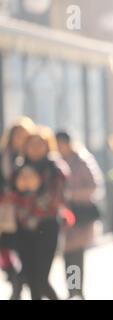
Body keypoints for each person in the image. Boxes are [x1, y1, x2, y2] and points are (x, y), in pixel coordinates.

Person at [10, 126, 69, 300]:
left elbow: (58, 199)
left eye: (39, 144)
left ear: (47, 146)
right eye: (31, 144)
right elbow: (11, 197)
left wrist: (36, 188)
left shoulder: (55, 168)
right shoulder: (19, 167)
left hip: (47, 227)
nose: (35, 148)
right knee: (29, 277)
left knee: (41, 278)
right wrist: (19, 189)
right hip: (23, 229)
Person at [56, 131, 104, 299]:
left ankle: (76, 290)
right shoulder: (56, 161)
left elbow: (94, 187)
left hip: (80, 216)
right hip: (63, 216)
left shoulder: (81, 161)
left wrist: (71, 194)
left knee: (75, 255)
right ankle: (72, 290)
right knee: (68, 255)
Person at [0, 117, 35, 299]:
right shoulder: (4, 156)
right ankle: (14, 280)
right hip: (5, 213)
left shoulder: (31, 157)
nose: (19, 138)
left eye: (23, 135)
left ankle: (18, 285)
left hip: (24, 213)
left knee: (23, 252)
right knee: (4, 248)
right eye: (17, 134)